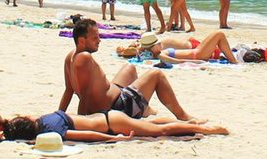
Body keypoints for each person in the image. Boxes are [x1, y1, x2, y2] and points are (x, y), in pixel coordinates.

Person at [60, 17, 198, 120]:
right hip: (119, 107)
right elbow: (85, 95)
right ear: (82, 41)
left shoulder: (70, 57)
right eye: (95, 37)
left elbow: (69, 90)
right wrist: (83, 122)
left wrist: (59, 115)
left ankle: (145, 108)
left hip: (114, 96)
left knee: (130, 67)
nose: (99, 40)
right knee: (156, 74)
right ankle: (183, 116)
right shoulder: (84, 57)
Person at [0, 110, 229, 143]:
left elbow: (86, 135)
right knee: (147, 124)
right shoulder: (46, 117)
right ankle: (190, 123)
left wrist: (114, 139)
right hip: (108, 115)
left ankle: (210, 130)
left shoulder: (50, 131)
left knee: (159, 132)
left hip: (111, 124)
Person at [130, 29, 240, 64]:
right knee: (219, 34)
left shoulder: (159, 54)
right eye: (158, 44)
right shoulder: (161, 54)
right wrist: (198, 62)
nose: (160, 44)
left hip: (198, 53)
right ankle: (234, 61)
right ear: (153, 47)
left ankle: (232, 59)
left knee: (218, 36)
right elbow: (178, 62)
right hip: (198, 54)